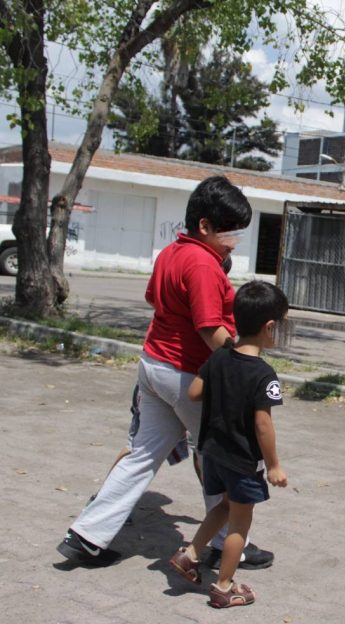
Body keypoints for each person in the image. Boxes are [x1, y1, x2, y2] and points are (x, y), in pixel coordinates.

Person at [57, 176, 271, 569]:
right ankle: (226, 544)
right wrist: (244, 364)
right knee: (221, 458)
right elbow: (210, 329)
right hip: (186, 376)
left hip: (153, 365)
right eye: (229, 232)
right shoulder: (203, 264)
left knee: (141, 457)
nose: (234, 241)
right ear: (204, 226)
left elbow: (155, 298)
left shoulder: (172, 252)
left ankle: (86, 536)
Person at [169, 280, 289, 608]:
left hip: (212, 453)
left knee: (223, 506)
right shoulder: (264, 375)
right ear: (269, 328)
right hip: (242, 461)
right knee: (240, 521)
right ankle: (223, 586)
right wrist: (274, 465)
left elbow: (194, 393)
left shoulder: (220, 358)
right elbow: (263, 424)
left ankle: (190, 554)